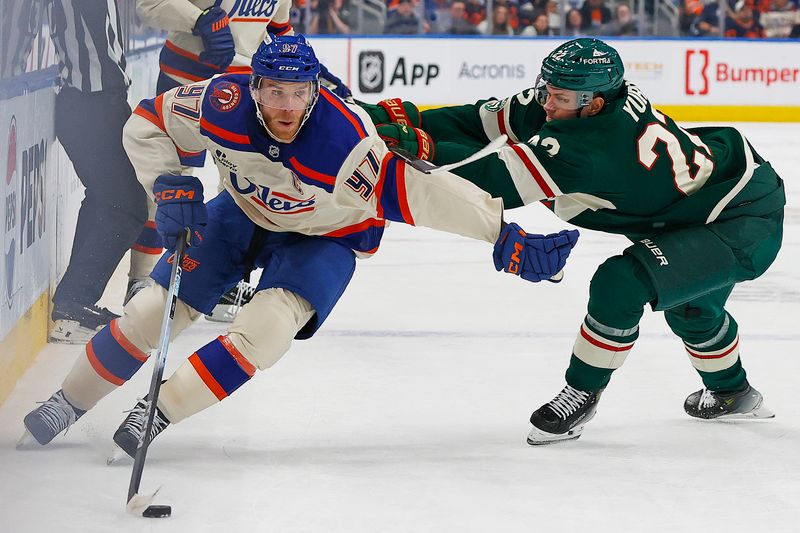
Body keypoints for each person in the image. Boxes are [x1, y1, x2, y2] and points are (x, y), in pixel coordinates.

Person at [19, 34, 579, 452]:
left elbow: (423, 192)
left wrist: (502, 235)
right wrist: (169, 184)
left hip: (326, 235)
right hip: (240, 215)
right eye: (275, 91)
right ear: (253, 86)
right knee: (149, 310)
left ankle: (158, 412)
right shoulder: (222, 103)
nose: (286, 106)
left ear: (315, 92)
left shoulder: (344, 145)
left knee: (264, 330)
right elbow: (149, 121)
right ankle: (69, 401)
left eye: (299, 93)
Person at [367, 38, 785, 444]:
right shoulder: (574, 100)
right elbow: (477, 121)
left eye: (560, 98)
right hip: (699, 201)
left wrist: (424, 146)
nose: (547, 104)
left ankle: (583, 393)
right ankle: (734, 394)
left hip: (741, 218)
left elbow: (491, 179)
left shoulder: (592, 148)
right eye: (547, 90)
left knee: (622, 282)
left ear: (596, 103)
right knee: (692, 307)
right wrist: (394, 118)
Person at [131, 0, 351, 319]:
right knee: (171, 184)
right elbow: (151, 5)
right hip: (189, 82)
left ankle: (219, 281)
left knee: (240, 183)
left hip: (244, 86)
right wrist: (200, 19)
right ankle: (143, 278)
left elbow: (277, 31)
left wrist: (309, 69)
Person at [44, 0, 149, 343]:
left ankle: (75, 303)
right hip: (91, 103)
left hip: (99, 102)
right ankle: (73, 306)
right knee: (128, 205)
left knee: (108, 200)